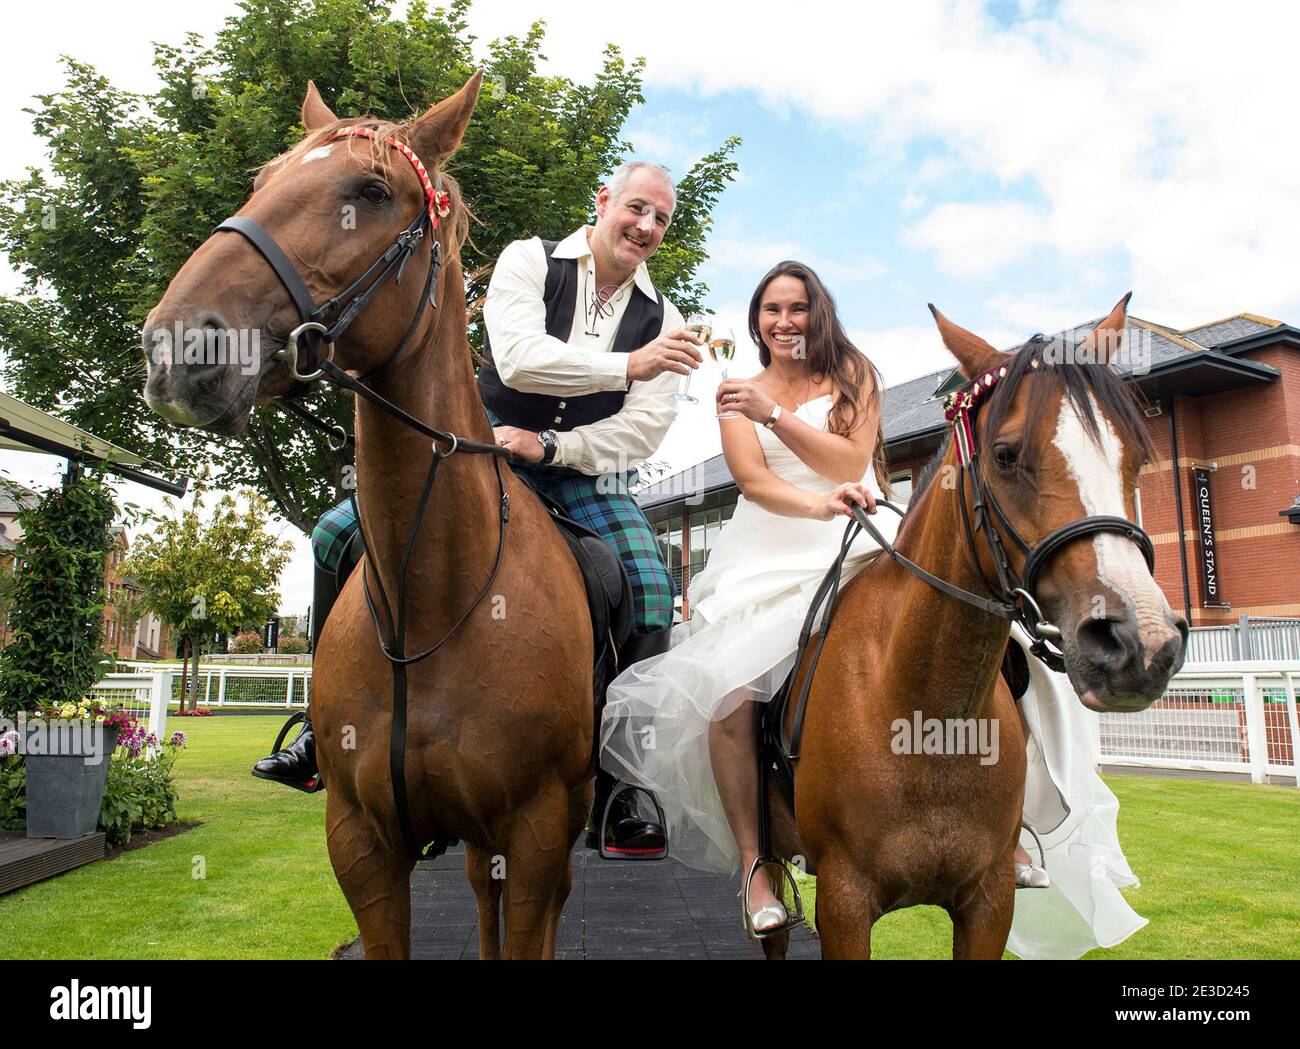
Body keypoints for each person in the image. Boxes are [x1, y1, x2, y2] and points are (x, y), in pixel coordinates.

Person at [600, 261, 1148, 955]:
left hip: (863, 522)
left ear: (817, 313)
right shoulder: (735, 391)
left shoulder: (854, 373)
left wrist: (791, 437)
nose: (784, 321)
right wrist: (810, 492)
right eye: (771, 309)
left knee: (1003, 641)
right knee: (729, 691)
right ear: (756, 319)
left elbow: (850, 456)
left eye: (797, 308)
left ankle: (1015, 826)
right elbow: (752, 479)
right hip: (773, 544)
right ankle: (756, 865)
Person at [256, 161, 704, 857]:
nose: (646, 226)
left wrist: (553, 446)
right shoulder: (528, 259)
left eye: (660, 219)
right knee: (332, 533)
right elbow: (520, 359)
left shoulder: (665, 317)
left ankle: (621, 784)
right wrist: (628, 366)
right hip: (476, 443)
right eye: (637, 208)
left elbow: (642, 431)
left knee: (649, 587)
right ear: (604, 201)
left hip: (582, 469)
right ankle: (319, 730)